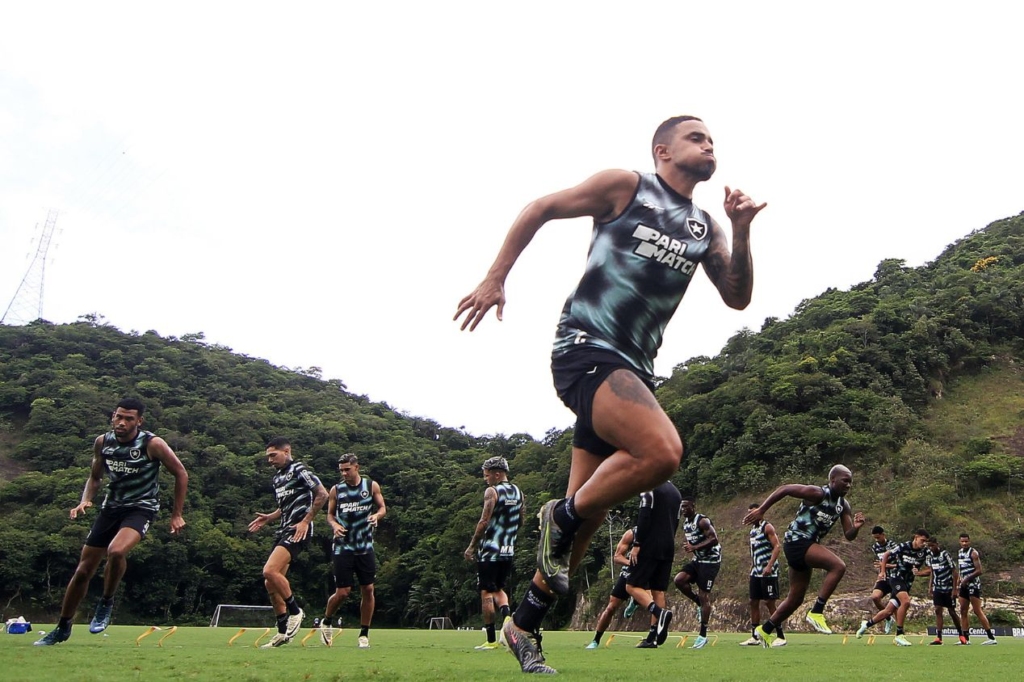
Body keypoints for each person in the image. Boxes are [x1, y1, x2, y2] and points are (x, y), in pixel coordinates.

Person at [455, 115, 765, 674]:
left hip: (634, 372)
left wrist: (740, 230)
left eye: (713, 138)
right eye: (697, 137)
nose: (709, 143)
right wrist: (496, 275)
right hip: (587, 347)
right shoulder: (627, 187)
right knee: (663, 452)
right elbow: (541, 208)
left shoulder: (704, 227)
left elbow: (737, 297)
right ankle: (562, 515)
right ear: (662, 149)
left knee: (586, 524)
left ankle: (523, 625)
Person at [34, 398, 188, 646]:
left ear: (139, 421)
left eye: (129, 419)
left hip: (141, 508)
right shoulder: (103, 442)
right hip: (111, 508)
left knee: (116, 551)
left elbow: (181, 472)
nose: (122, 422)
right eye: (119, 417)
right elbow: (95, 477)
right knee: (83, 570)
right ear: (112, 417)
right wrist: (85, 500)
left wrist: (176, 513)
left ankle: (106, 601)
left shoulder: (152, 444)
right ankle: (63, 626)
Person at [742, 464, 865, 647]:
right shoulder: (817, 493)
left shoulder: (843, 505)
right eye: (845, 481)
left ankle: (765, 630)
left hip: (807, 545)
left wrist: (856, 527)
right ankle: (817, 611)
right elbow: (785, 489)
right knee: (838, 566)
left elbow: (849, 535)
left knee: (796, 598)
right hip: (797, 542)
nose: (848, 485)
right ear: (832, 480)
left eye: (850, 482)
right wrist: (762, 509)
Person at [247, 437, 328, 648]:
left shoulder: (299, 469)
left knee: (269, 571)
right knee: (270, 583)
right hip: (283, 529)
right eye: (268, 457)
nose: (270, 460)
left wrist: (305, 521)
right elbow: (285, 506)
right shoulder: (277, 479)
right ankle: (282, 633)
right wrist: (269, 517)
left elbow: (322, 494)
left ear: (287, 451)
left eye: (273, 455)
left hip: (297, 530)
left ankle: (295, 611)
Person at [321, 453, 387, 649]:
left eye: (347, 469)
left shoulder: (371, 486)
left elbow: (383, 507)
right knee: (343, 592)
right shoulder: (336, 490)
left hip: (365, 546)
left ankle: (364, 634)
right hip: (343, 546)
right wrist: (334, 526)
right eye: (341, 470)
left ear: (356, 467)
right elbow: (330, 516)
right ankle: (326, 621)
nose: (344, 473)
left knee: (368, 589)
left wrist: (377, 516)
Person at [464, 456, 523, 651]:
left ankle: (490, 640)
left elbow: (484, 521)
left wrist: (472, 546)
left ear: (497, 474)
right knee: (499, 588)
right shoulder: (518, 492)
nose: (485, 479)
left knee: (486, 593)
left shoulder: (492, 491)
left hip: (490, 550)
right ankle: (507, 618)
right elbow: (520, 521)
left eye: (487, 475)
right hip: (508, 550)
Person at [627, 481, 682, 649]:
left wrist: (637, 544)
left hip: (650, 544)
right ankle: (653, 637)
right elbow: (677, 521)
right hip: (668, 545)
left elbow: (644, 516)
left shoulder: (648, 486)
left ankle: (660, 613)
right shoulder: (676, 492)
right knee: (658, 590)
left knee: (631, 586)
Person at [856, 529, 931, 646]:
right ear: (916, 537)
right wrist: (882, 572)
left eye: (926, 541)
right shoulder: (904, 546)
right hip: (896, 578)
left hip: (907, 582)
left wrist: (919, 573)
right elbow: (887, 554)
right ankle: (899, 634)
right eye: (922, 540)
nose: (924, 543)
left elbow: (930, 569)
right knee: (905, 602)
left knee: (888, 611)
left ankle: (866, 624)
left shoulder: (925, 552)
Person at [673, 496, 720, 649]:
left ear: (693, 506)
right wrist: (690, 546)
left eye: (686, 506)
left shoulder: (702, 521)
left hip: (710, 561)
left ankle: (702, 635)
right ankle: (698, 603)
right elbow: (694, 542)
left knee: (704, 594)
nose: (683, 509)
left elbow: (714, 539)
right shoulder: (686, 524)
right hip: (697, 560)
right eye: (682, 507)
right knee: (679, 580)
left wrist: (695, 547)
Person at [740, 502, 786, 647]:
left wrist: (769, 566)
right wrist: (753, 565)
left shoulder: (767, 527)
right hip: (756, 571)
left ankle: (780, 636)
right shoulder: (752, 531)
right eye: (749, 513)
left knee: (769, 602)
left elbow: (777, 547)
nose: (750, 516)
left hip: (768, 571)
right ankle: (755, 636)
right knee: (753, 601)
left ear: (760, 513)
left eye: (753, 513)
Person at [585, 526, 636, 649]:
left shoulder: (658, 534)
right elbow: (617, 557)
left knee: (655, 600)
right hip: (628, 573)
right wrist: (631, 563)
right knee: (611, 607)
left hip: (646, 575)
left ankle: (652, 639)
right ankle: (596, 640)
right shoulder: (632, 534)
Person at [957, 533, 997, 645]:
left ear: (969, 541)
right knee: (963, 610)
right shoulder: (959, 553)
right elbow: (961, 570)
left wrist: (967, 579)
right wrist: (959, 581)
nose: (964, 543)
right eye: (962, 541)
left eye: (966, 541)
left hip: (973, 585)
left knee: (977, 610)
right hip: (963, 585)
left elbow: (979, 570)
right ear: (959, 542)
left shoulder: (973, 553)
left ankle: (991, 637)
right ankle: (966, 639)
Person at [926, 536, 962, 645]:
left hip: (948, 587)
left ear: (937, 544)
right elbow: (932, 571)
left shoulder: (944, 554)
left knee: (951, 611)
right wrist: (930, 586)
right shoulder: (930, 557)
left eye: (933, 545)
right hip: (937, 588)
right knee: (937, 610)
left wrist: (955, 589)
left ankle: (962, 635)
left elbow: (954, 571)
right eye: (929, 546)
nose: (931, 548)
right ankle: (939, 637)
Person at [868, 525, 898, 634]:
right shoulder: (875, 547)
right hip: (884, 578)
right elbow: (880, 564)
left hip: (895, 578)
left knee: (895, 605)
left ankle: (900, 632)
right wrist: (879, 575)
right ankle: (888, 618)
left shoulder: (893, 546)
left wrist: (885, 565)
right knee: (875, 597)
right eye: (875, 538)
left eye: (878, 538)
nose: (877, 540)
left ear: (883, 535)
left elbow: (900, 565)